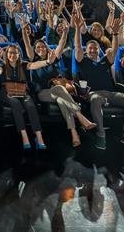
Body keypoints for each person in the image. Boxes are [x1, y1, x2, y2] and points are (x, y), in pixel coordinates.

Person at [72, 9, 124, 152]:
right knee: (96, 99)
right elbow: (78, 47)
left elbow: (115, 50)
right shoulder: (83, 60)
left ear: (99, 50)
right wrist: (78, 29)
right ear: (87, 51)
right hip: (94, 93)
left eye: (95, 48)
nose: (92, 50)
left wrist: (115, 34)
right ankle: (101, 134)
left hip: (111, 93)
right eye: (90, 48)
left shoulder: (105, 60)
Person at [22, 19, 98, 149]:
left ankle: (74, 133)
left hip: (58, 91)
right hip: (42, 93)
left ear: (47, 48)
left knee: (62, 101)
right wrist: (24, 31)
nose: (40, 48)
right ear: (35, 50)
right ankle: (80, 116)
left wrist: (66, 32)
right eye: (38, 47)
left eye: (43, 46)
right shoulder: (32, 59)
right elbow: (27, 44)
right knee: (58, 89)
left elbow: (61, 45)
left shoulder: (53, 57)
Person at [0, 44, 47, 151]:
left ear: (19, 54)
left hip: (22, 91)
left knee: (31, 105)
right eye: (10, 52)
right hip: (6, 91)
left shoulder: (23, 65)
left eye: (15, 52)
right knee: (15, 103)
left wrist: (47, 62)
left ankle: (39, 137)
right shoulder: (3, 65)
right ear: (6, 54)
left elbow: (35, 65)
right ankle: (24, 136)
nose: (12, 55)